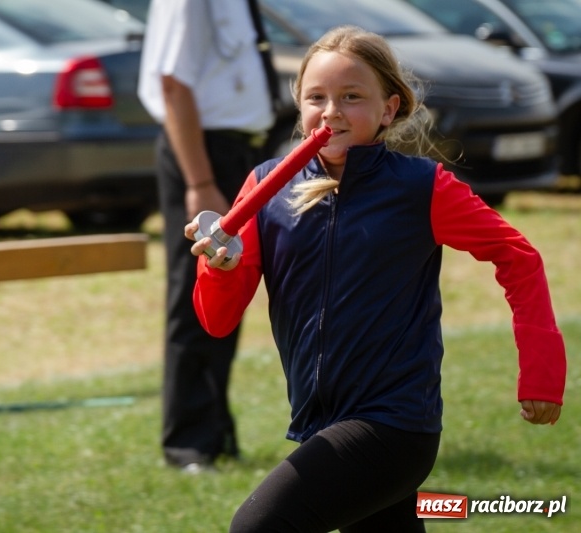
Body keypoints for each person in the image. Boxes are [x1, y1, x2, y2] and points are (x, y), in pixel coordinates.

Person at [185, 25, 566, 531]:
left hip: (394, 424)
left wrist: (541, 373)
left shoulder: (422, 187)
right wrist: (219, 265)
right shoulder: (265, 188)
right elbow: (216, 320)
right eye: (316, 97)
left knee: (258, 528)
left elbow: (518, 257)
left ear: (389, 109)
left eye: (352, 97)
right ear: (298, 106)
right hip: (320, 420)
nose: (331, 111)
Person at [138, 0, 277, 472]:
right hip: (203, 154)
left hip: (233, 150)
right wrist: (199, 181)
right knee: (195, 292)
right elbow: (173, 84)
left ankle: (215, 433)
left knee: (229, 287)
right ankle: (188, 444)